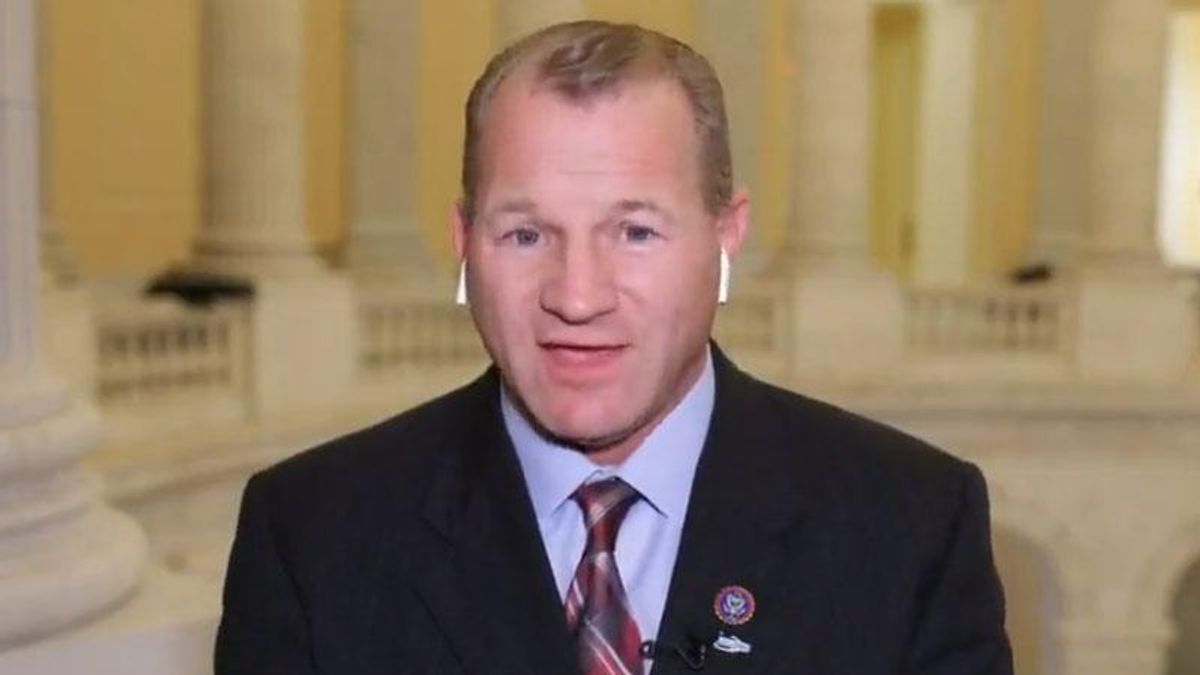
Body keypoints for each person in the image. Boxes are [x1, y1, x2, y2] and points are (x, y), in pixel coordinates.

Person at [215, 20, 1012, 675]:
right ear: (464, 241)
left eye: (634, 231)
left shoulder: (910, 528)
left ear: (726, 234)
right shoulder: (312, 537)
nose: (577, 296)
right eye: (526, 233)